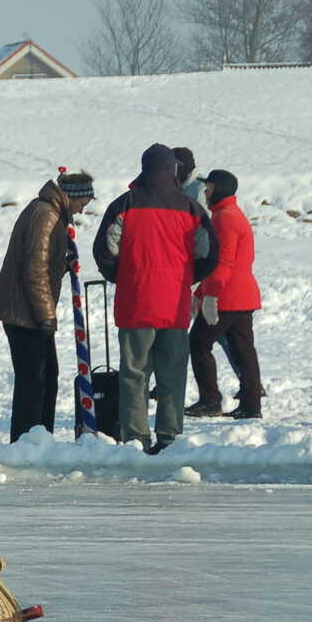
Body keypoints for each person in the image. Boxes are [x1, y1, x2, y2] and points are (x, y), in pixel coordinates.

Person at [93, 144, 218, 453]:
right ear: (173, 171)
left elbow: (105, 250)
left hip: (135, 303)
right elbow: (210, 253)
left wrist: (122, 276)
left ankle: (136, 437)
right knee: (172, 374)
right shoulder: (192, 209)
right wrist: (187, 276)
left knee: (134, 374)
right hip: (174, 304)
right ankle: (169, 436)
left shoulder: (125, 205)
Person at [0, 170, 95, 442]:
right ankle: (27, 439)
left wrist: (62, 264)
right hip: (23, 312)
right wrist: (46, 315)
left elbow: (44, 263)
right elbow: (34, 270)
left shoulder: (49, 211)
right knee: (34, 379)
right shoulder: (45, 215)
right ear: (72, 198)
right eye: (83, 205)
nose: (81, 212)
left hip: (29, 310)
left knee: (47, 375)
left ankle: (40, 436)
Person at [185, 170, 265, 421]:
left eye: (208, 188)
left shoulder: (225, 219)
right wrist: (201, 291)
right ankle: (251, 404)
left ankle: (210, 400)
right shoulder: (230, 214)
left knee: (198, 342)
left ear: (219, 189)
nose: (205, 193)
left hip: (228, 296)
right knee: (243, 350)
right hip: (241, 294)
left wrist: (212, 295)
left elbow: (224, 261)